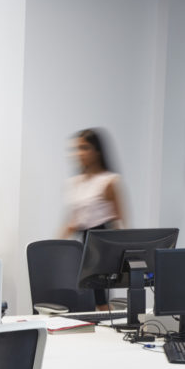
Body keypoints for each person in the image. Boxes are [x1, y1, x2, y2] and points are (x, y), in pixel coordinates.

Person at [60, 128, 126, 309]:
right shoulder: (76, 182)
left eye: (85, 148)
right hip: (80, 246)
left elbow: (119, 222)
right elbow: (73, 221)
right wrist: (55, 247)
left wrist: (119, 259)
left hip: (101, 247)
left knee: (101, 303)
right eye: (76, 148)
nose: (79, 153)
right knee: (74, 299)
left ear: (97, 151)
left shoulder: (109, 181)